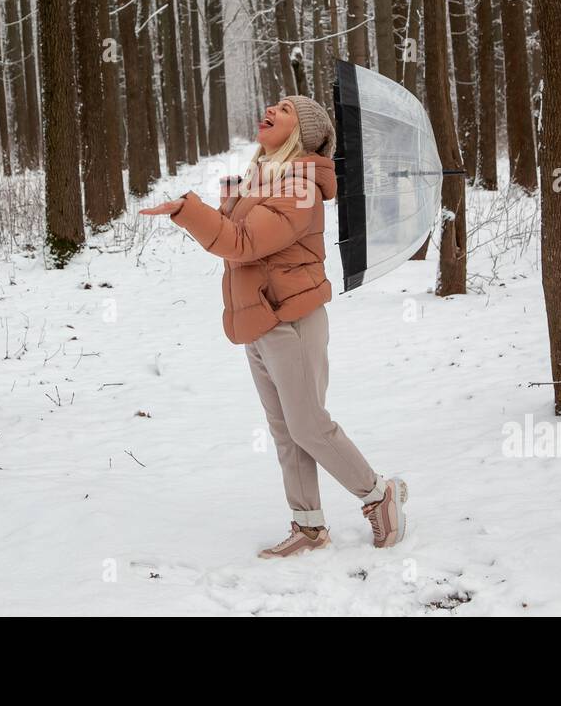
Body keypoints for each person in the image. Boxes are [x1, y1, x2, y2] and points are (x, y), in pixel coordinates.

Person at [139, 95, 407, 559]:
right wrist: (227, 199)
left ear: (303, 132)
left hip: (292, 319)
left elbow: (241, 245)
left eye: (285, 109)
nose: (272, 109)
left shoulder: (299, 183)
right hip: (260, 319)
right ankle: (308, 526)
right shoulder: (263, 179)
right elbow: (234, 240)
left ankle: (378, 494)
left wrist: (190, 210)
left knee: (309, 425)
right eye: (274, 104)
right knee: (286, 430)